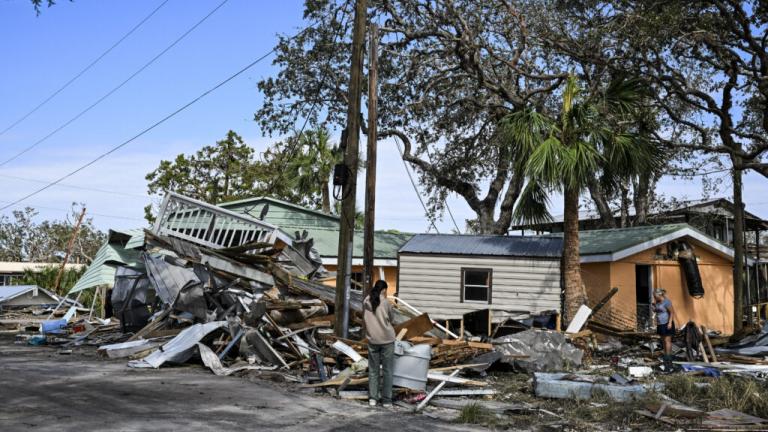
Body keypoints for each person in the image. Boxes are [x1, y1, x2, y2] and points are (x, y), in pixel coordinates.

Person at [363, 280, 395, 408]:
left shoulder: (366, 302)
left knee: (373, 370)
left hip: (373, 340)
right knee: (387, 370)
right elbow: (392, 319)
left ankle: (373, 398)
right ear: (384, 290)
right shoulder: (386, 302)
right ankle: (386, 400)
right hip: (387, 340)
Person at [653, 288, 678, 371]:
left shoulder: (667, 301)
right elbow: (659, 311)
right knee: (663, 341)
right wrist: (654, 309)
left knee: (667, 341)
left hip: (667, 323)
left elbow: (672, 312)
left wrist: (670, 323)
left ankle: (668, 358)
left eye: (655, 296)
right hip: (660, 324)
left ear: (659, 295)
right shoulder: (657, 302)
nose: (654, 297)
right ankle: (666, 357)